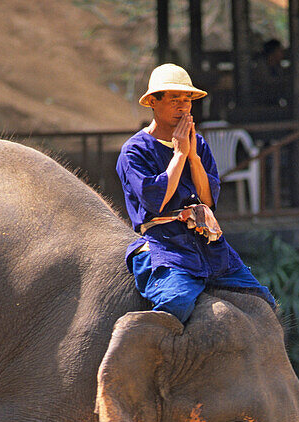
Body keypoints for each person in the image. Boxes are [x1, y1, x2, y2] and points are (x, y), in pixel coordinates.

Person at [115, 63, 276, 324]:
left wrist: (192, 156)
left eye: (187, 100)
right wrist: (178, 155)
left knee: (263, 300)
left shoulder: (198, 143)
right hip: (164, 244)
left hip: (206, 243)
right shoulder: (134, 151)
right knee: (177, 302)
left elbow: (208, 200)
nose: (183, 107)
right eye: (174, 100)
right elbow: (157, 201)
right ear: (153, 103)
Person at [251, 38, 288, 107]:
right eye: (280, 51)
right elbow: (267, 85)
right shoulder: (260, 68)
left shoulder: (277, 68)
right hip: (260, 104)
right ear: (273, 52)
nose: (282, 54)